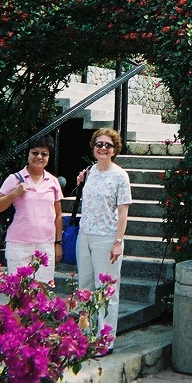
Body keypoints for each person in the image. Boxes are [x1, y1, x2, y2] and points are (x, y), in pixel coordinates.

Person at [76, 127, 132, 348]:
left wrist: (118, 242)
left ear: (114, 149)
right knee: (85, 287)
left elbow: (123, 212)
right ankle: (85, 335)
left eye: (108, 145)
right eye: (99, 144)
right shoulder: (89, 172)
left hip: (107, 238)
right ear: (93, 147)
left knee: (107, 290)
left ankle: (105, 340)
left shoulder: (120, 176)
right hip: (85, 235)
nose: (103, 148)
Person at [0, 136, 64, 283]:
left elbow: (58, 215)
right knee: (18, 293)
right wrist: (14, 194)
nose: (39, 157)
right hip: (19, 243)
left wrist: (58, 244)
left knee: (42, 292)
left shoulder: (53, 181)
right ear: (28, 154)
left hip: (45, 244)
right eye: (35, 153)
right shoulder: (15, 179)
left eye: (44, 154)